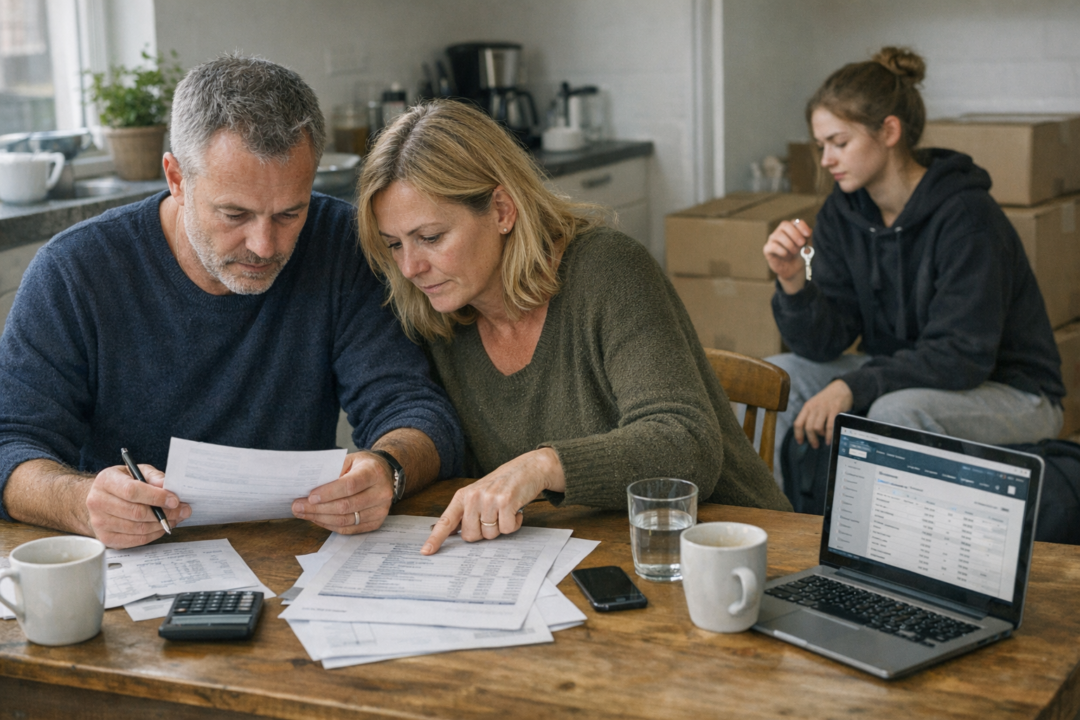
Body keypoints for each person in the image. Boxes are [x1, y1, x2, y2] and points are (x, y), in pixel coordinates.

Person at [0, 55, 463, 549]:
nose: (265, 245)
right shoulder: (75, 272)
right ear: (176, 178)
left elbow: (415, 410)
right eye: (234, 213)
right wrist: (83, 501)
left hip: (299, 554)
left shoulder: (341, 246)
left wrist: (387, 469)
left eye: (290, 213)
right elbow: (11, 444)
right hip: (138, 562)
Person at [356, 100, 792, 555]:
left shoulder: (608, 269)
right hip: (591, 557)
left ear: (503, 210)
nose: (410, 267)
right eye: (394, 245)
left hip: (730, 547)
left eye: (430, 238)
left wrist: (542, 466)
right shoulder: (438, 313)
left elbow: (684, 443)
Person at [762, 46, 1065, 482]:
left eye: (839, 143)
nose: (827, 160)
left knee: (894, 411)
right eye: (821, 145)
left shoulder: (967, 216)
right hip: (907, 373)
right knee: (777, 381)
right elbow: (824, 345)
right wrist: (793, 283)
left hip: (1011, 392)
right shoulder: (843, 214)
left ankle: (875, 547)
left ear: (889, 131)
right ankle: (773, 532)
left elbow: (963, 355)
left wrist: (853, 386)